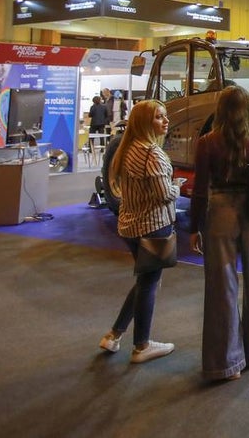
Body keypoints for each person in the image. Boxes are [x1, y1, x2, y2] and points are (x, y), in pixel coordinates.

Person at [189, 86, 249, 381]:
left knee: (221, 285)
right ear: (248, 109)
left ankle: (225, 364)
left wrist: (194, 227)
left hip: (219, 212)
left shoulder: (206, 142)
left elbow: (199, 190)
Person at [98, 100, 177, 364]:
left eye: (165, 116)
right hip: (153, 226)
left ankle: (114, 334)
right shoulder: (151, 153)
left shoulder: (127, 148)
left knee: (145, 281)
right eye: (159, 117)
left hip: (130, 225)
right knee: (149, 284)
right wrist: (177, 187)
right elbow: (164, 195)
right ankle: (142, 345)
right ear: (145, 122)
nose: (165, 121)